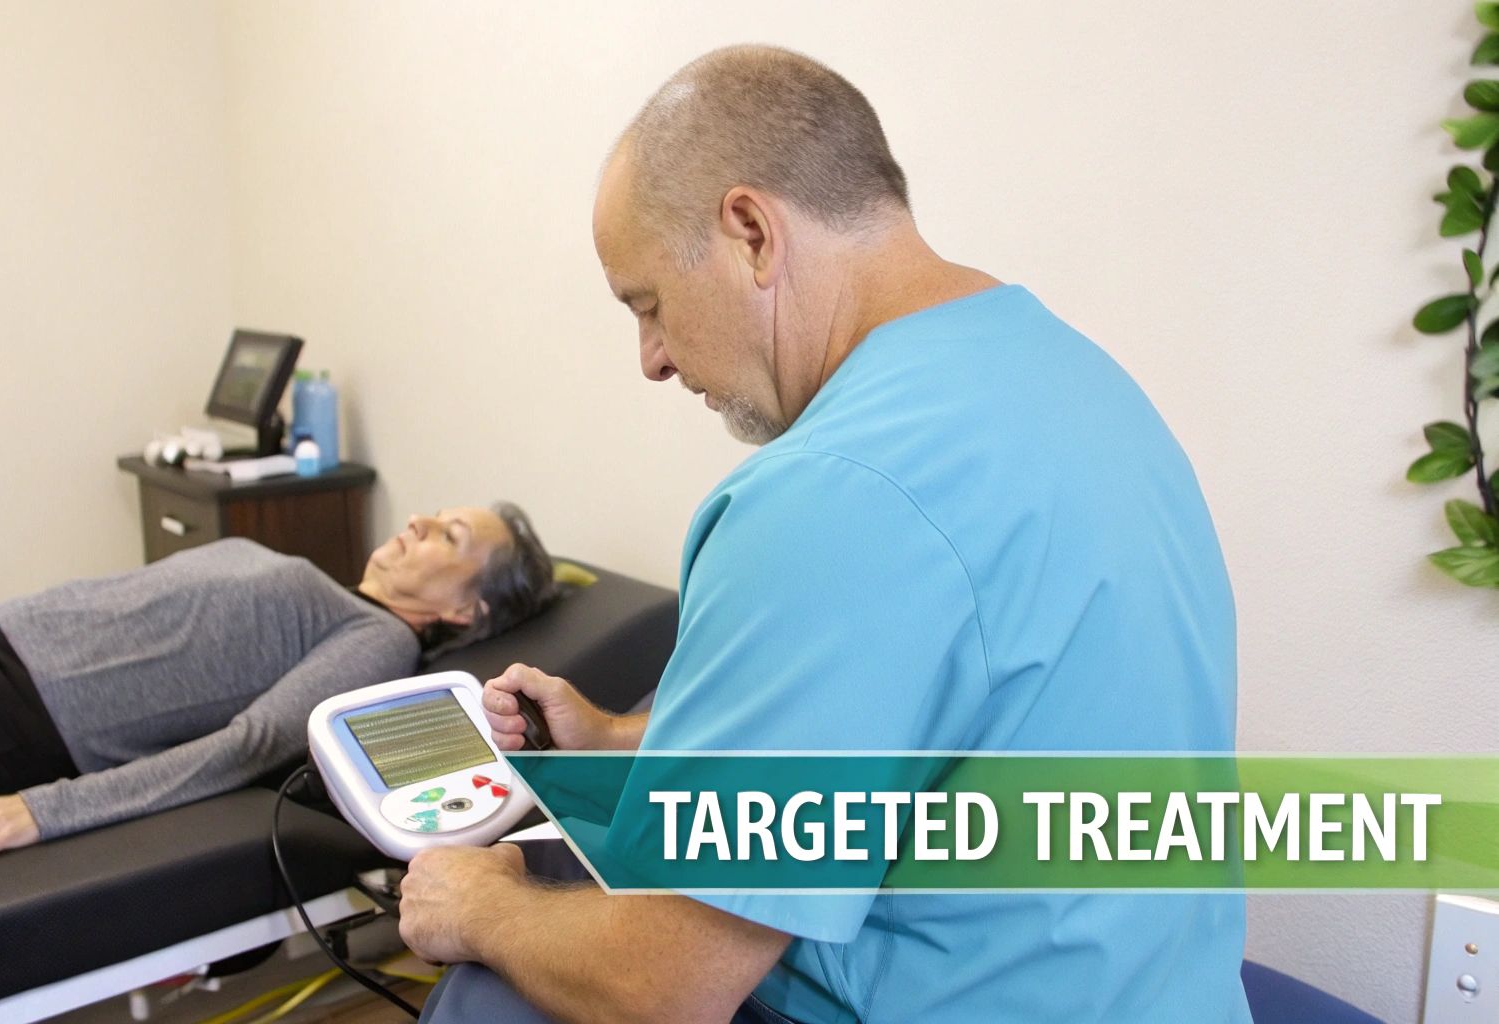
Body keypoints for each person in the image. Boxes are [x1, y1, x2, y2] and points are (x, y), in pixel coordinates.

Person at [399, 47, 1250, 1023]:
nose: (652, 358)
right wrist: (624, 741)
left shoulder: (826, 499)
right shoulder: (1081, 386)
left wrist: (483, 907)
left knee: (483, 991)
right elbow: (929, 734)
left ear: (752, 233)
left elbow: (660, 989)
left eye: (649, 305)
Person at [0, 503, 556, 868]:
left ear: (462, 609)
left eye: (445, 535)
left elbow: (250, 743)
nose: (416, 522)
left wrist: (45, 807)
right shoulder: (334, 590)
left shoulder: (374, 644)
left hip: (15, 713)